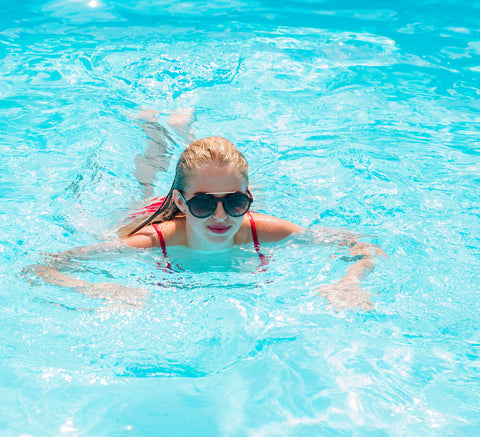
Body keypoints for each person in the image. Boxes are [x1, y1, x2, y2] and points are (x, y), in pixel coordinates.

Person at [31, 109, 384, 311]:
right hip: (153, 210)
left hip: (208, 190)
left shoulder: (263, 228)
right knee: (145, 185)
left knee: (210, 168)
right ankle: (154, 129)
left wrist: (350, 282)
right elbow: (43, 266)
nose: (220, 217)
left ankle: (184, 129)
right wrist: (102, 290)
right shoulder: (153, 241)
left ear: (247, 199)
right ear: (183, 202)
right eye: (202, 203)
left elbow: (362, 243)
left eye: (234, 203)